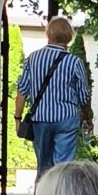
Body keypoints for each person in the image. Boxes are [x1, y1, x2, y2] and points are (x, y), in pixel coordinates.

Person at [16, 15, 92, 174]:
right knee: (63, 167)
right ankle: (61, 189)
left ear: (48, 34)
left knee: (43, 166)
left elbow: (22, 90)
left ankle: (42, 189)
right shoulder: (74, 62)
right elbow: (84, 95)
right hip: (66, 119)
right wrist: (87, 118)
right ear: (69, 37)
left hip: (40, 119)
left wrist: (18, 118)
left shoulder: (32, 59)